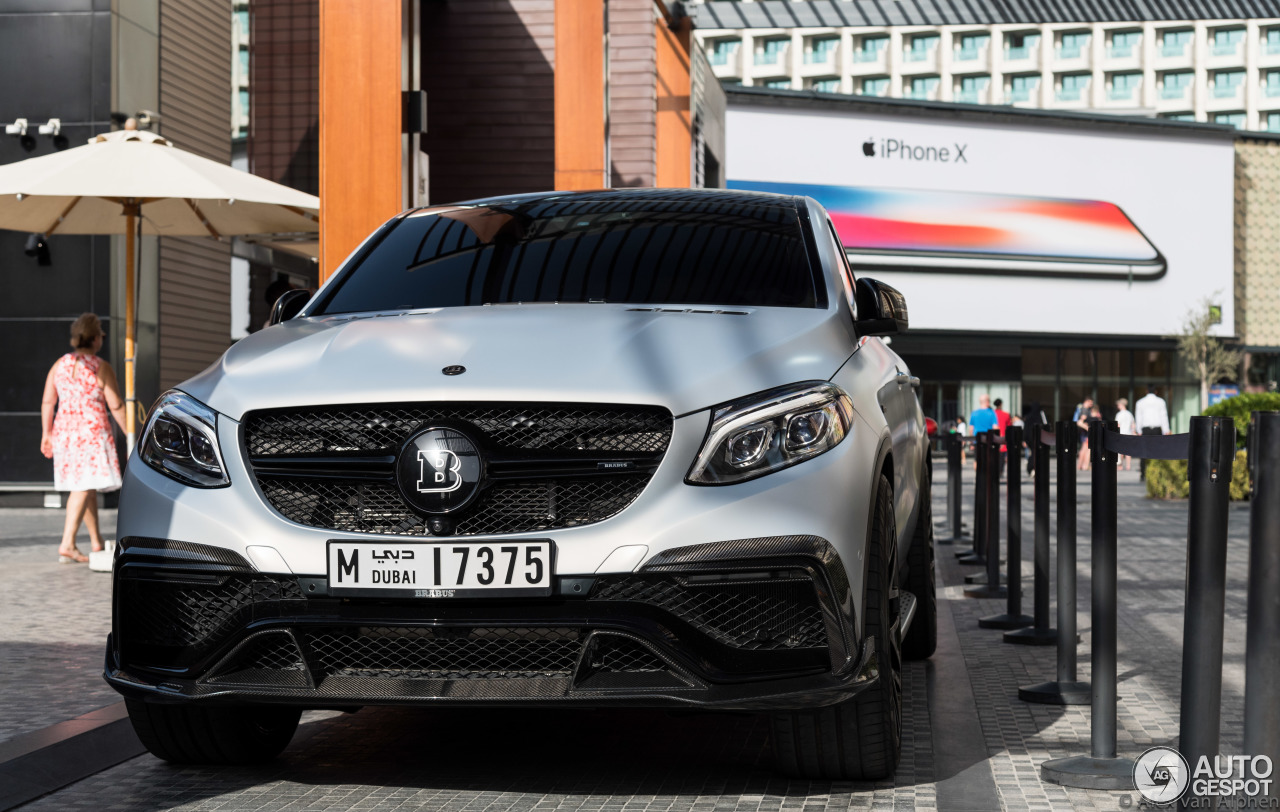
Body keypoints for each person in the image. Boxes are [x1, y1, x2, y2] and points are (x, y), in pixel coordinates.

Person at [39, 313, 126, 563]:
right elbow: (116, 405)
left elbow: (48, 401)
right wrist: (135, 434)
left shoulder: (60, 364)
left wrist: (46, 433)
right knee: (82, 487)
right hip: (91, 433)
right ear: (96, 339)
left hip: (65, 432)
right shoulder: (101, 367)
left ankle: (96, 541)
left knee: (86, 487)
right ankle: (67, 543)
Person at [1135, 384, 1170, 481]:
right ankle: (1158, 472)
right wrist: (1166, 430)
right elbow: (1164, 416)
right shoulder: (1161, 401)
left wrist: (1139, 430)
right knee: (1158, 452)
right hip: (1157, 429)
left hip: (1145, 429)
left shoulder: (1140, 402)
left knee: (1143, 452)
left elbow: (1139, 417)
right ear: (1156, 392)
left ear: (1146, 391)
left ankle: (1143, 474)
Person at [969, 394, 997, 470]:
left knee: (976, 460)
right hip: (988, 440)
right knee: (988, 459)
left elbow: (971, 428)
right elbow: (995, 427)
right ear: (987, 401)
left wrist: (971, 442)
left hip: (977, 440)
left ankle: (977, 478)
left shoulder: (974, 413)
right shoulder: (991, 413)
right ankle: (987, 478)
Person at [1115, 397, 1137, 471]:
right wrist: (1134, 432)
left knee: (1121, 451)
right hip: (1129, 434)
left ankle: (1120, 466)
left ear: (1121, 405)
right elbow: (1133, 425)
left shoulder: (1119, 414)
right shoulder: (1129, 414)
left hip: (1121, 434)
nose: (1117, 406)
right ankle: (1128, 465)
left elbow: (1117, 425)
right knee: (1128, 451)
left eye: (1118, 405)